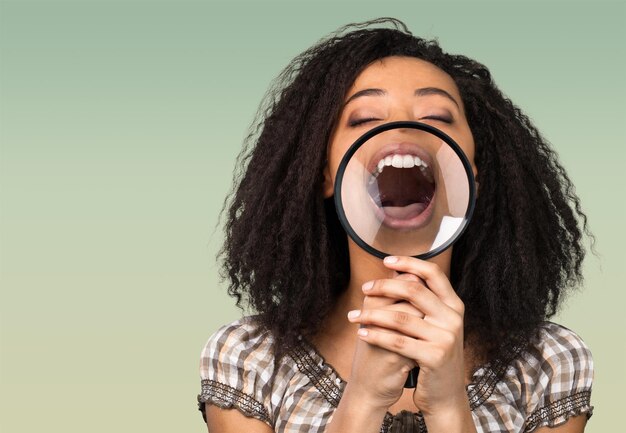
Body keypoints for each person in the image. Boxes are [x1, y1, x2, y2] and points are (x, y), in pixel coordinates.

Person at [196, 18, 594, 433]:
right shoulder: (247, 359)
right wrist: (363, 401)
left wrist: (447, 408)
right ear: (326, 174)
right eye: (365, 118)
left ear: (472, 176)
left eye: (438, 116)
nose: (402, 128)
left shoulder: (550, 362)